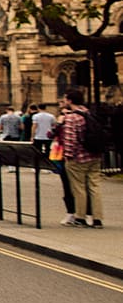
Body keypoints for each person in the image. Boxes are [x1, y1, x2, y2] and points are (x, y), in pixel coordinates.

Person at [58, 89, 103, 228]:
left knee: (79, 188)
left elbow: (70, 139)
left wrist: (68, 156)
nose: (64, 102)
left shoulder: (71, 117)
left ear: (70, 101)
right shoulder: (88, 112)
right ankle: (97, 219)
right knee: (95, 187)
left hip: (78, 158)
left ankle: (80, 218)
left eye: (65, 99)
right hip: (94, 156)